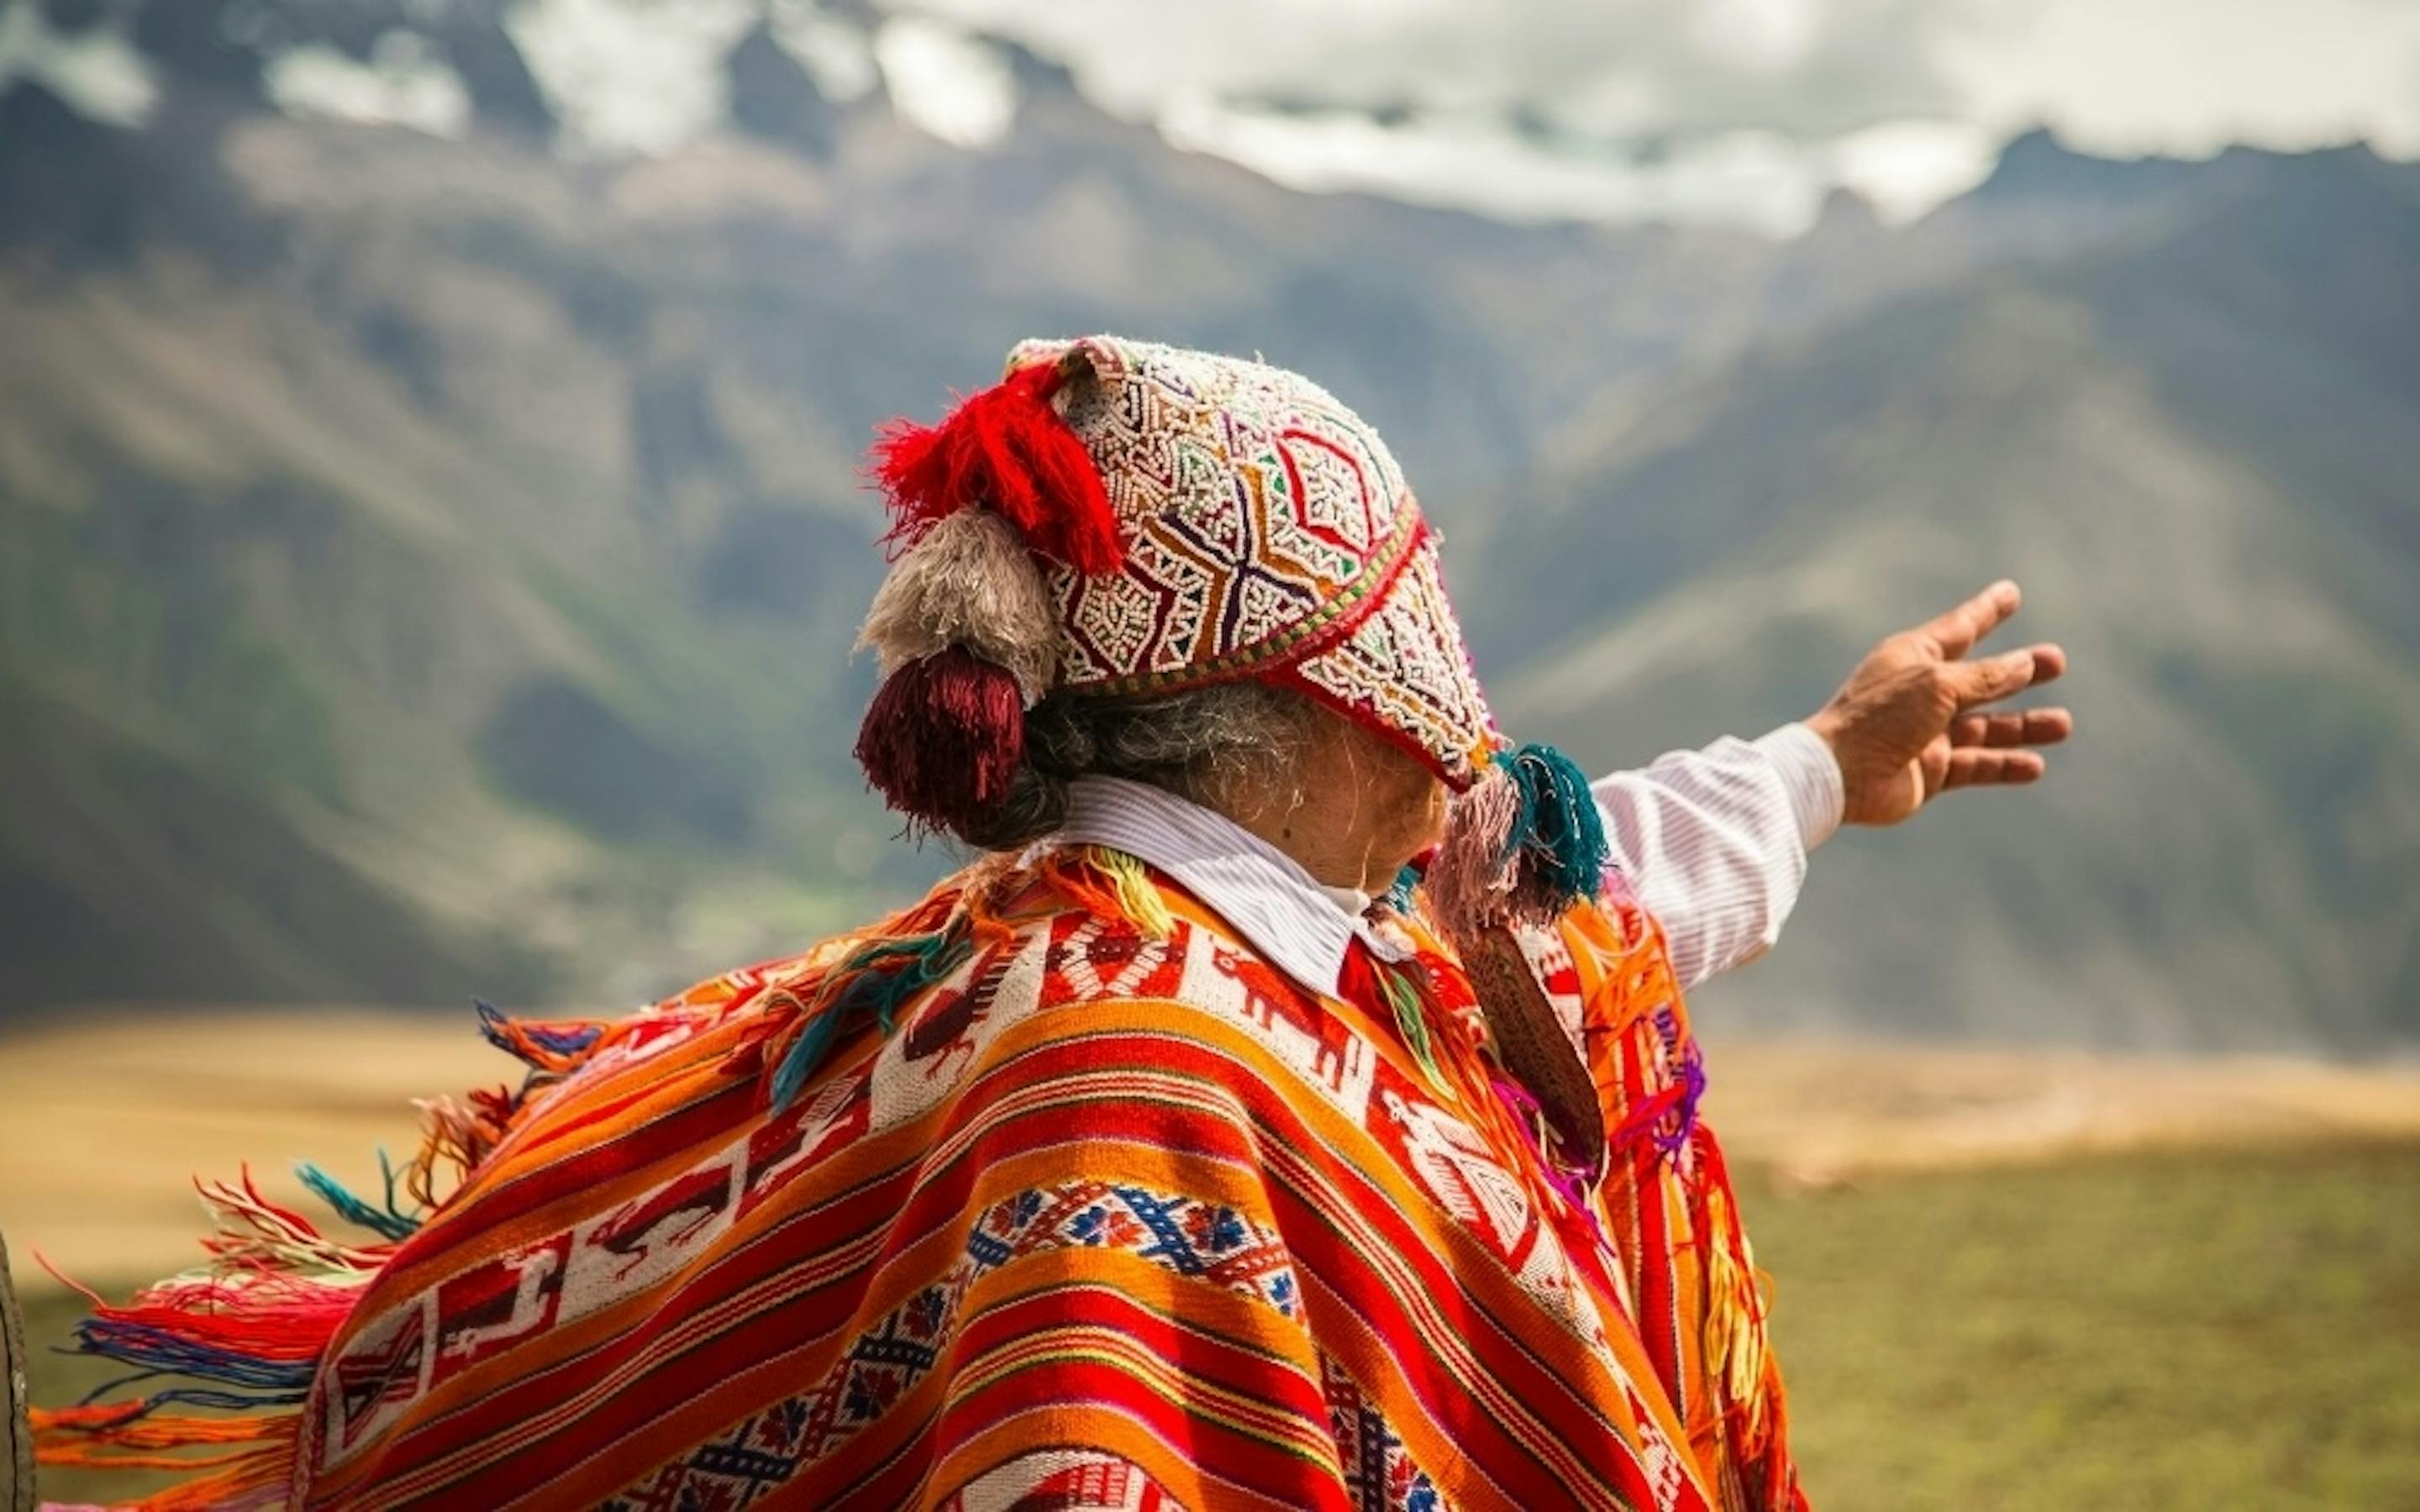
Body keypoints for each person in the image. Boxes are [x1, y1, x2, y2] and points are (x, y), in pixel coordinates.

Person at [36, 337, 2069, 1511]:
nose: (1472, 721)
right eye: (1421, 633)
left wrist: (1822, 761)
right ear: (1323, 700)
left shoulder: (1095, 950)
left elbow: (1554, 908)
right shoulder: (1138, 1067)